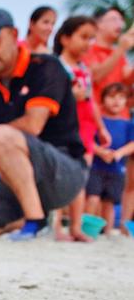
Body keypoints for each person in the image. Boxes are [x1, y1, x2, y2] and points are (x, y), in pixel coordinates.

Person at [0, 9, 87, 241]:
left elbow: (33, 125)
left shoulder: (46, 67)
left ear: (13, 34)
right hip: (16, 183)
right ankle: (20, 223)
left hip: (65, 171)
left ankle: (34, 221)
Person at [52, 16, 111, 241]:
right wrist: (70, 95)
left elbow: (91, 101)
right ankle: (55, 224)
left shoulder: (84, 68)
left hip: (85, 129)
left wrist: (101, 127)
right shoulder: (56, 65)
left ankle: (76, 226)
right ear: (66, 38)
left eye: (91, 38)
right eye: (83, 37)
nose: (88, 43)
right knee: (57, 175)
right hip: (63, 127)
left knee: (81, 176)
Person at [83, 7, 134, 234]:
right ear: (99, 24)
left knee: (125, 179)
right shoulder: (90, 50)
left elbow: (126, 81)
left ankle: (122, 225)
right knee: (93, 185)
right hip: (97, 121)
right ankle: (89, 225)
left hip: (123, 122)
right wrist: (121, 48)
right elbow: (96, 75)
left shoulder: (120, 54)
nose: (119, 24)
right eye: (113, 19)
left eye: (121, 20)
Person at [86, 83, 134, 234]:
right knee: (92, 198)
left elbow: (132, 144)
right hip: (96, 168)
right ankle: (88, 228)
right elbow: (87, 140)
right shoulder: (98, 122)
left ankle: (107, 233)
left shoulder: (128, 124)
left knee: (110, 203)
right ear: (102, 100)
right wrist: (100, 151)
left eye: (121, 98)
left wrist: (119, 153)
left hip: (117, 170)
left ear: (127, 102)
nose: (116, 101)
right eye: (112, 97)